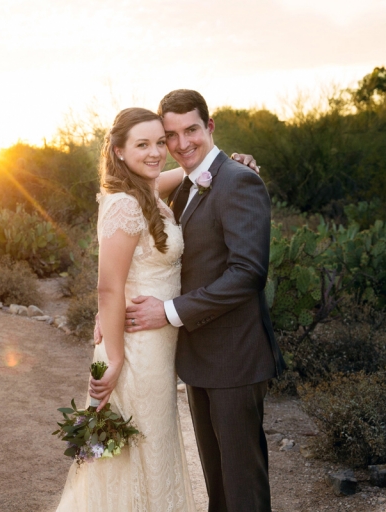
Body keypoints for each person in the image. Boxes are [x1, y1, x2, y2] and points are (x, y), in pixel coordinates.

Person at [56, 106, 258, 511]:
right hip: (136, 349)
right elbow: (109, 287)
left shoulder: (147, 189)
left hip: (160, 346)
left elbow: (198, 172)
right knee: (141, 452)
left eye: (159, 142)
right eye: (142, 144)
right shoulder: (125, 205)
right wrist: (113, 359)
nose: (156, 152)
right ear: (117, 151)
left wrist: (238, 162)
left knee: (154, 449)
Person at [113, 90, 286, 512]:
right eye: (170, 135)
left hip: (235, 357)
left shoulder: (238, 180)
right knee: (219, 487)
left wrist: (168, 313)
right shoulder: (188, 185)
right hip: (199, 356)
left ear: (209, 127)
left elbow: (248, 274)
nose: (182, 143)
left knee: (242, 486)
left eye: (191, 130)